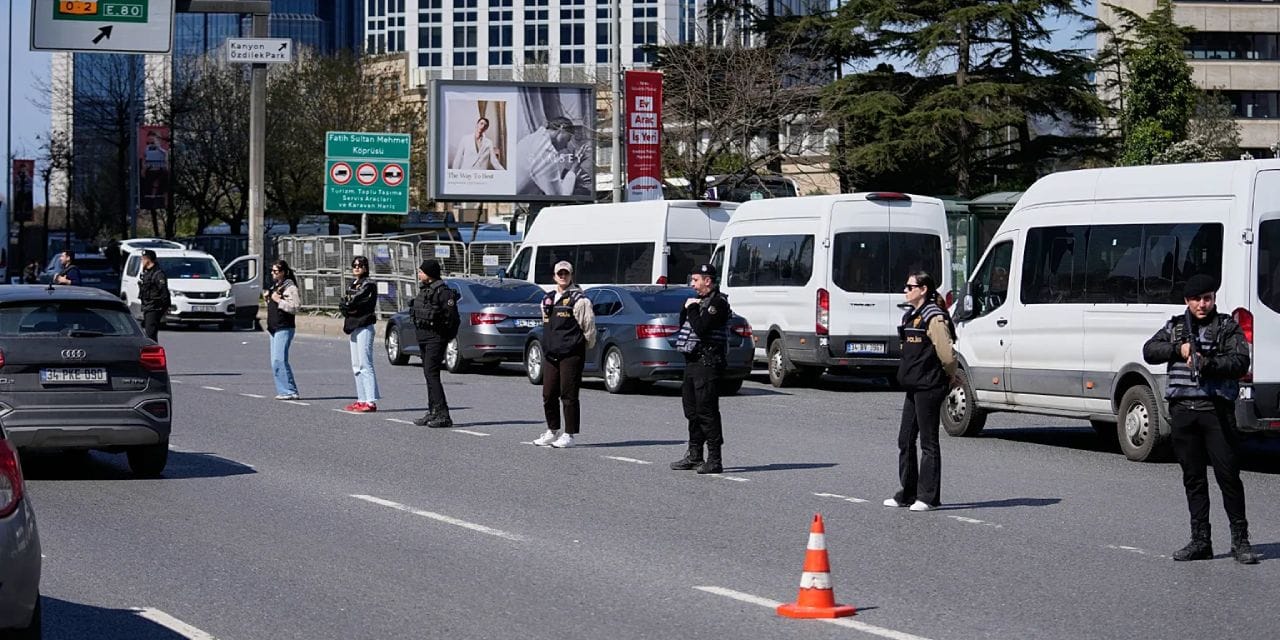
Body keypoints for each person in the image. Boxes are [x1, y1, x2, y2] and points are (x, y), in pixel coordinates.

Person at [1142, 274, 1258, 564]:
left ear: (1214, 298)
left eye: (1207, 298)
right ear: (1187, 301)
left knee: (1228, 477)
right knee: (1193, 479)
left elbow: (1240, 362)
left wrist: (1209, 364)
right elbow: (1149, 351)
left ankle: (1240, 541)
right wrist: (1178, 350)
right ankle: (1200, 541)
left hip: (1215, 412)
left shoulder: (1227, 327)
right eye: (1196, 299)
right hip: (1183, 412)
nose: (1202, 304)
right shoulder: (1176, 328)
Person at [884, 271, 956, 512]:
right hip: (913, 385)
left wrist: (949, 376)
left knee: (928, 443)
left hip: (929, 385)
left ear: (923, 289)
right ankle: (907, 493)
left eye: (910, 286)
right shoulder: (910, 316)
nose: (905, 290)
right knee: (904, 439)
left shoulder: (933, 317)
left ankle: (928, 497)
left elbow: (946, 353)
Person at [670, 263, 732, 474]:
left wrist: (692, 308)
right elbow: (684, 325)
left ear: (708, 280)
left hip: (708, 363)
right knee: (692, 411)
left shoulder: (718, 303)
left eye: (696, 280)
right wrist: (686, 309)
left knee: (707, 411)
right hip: (693, 362)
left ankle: (715, 459)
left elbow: (702, 328)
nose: (693, 285)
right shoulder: (700, 301)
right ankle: (695, 455)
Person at [532, 261, 596, 449]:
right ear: (553, 276)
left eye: (566, 274)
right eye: (559, 273)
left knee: (568, 395)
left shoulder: (580, 300)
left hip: (571, 354)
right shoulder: (547, 299)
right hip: (551, 354)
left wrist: (581, 347)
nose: (562, 276)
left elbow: (589, 328)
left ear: (571, 276)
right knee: (548, 393)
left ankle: (569, 434)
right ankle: (552, 430)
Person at [410, 259, 461, 428]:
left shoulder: (443, 292)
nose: (419, 274)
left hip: (435, 339)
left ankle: (443, 414)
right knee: (428, 374)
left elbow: (453, 319)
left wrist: (445, 337)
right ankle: (433, 411)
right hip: (424, 337)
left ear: (430, 273)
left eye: (421, 272)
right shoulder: (426, 290)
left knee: (432, 374)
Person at [341, 256, 381, 413]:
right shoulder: (353, 283)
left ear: (366, 268)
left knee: (365, 363)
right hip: (354, 325)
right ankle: (361, 398)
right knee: (356, 365)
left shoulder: (369, 284)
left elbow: (358, 301)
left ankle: (370, 401)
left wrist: (349, 304)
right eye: (354, 265)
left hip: (365, 325)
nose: (357, 268)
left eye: (360, 265)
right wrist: (346, 306)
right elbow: (346, 302)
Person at [514, 116, 591, 197]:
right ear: (562, 128)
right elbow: (561, 196)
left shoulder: (532, 138)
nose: (566, 146)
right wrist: (575, 166)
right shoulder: (545, 151)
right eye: (568, 139)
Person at [266, 260, 301, 401]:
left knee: (280, 359)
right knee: (275, 361)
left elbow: (295, 307)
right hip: (274, 327)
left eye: (276, 271)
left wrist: (278, 301)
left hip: (284, 326)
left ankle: (290, 390)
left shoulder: (290, 287)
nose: (273, 273)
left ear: (284, 272)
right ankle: (283, 389)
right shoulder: (276, 286)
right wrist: (269, 299)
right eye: (272, 271)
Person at [137, 250, 171, 342]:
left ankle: (153, 353)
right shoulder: (147, 272)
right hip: (148, 307)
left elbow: (164, 293)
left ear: (147, 260)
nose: (142, 262)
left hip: (154, 307)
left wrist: (164, 308)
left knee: (150, 334)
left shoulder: (158, 274)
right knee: (148, 333)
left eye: (143, 259)